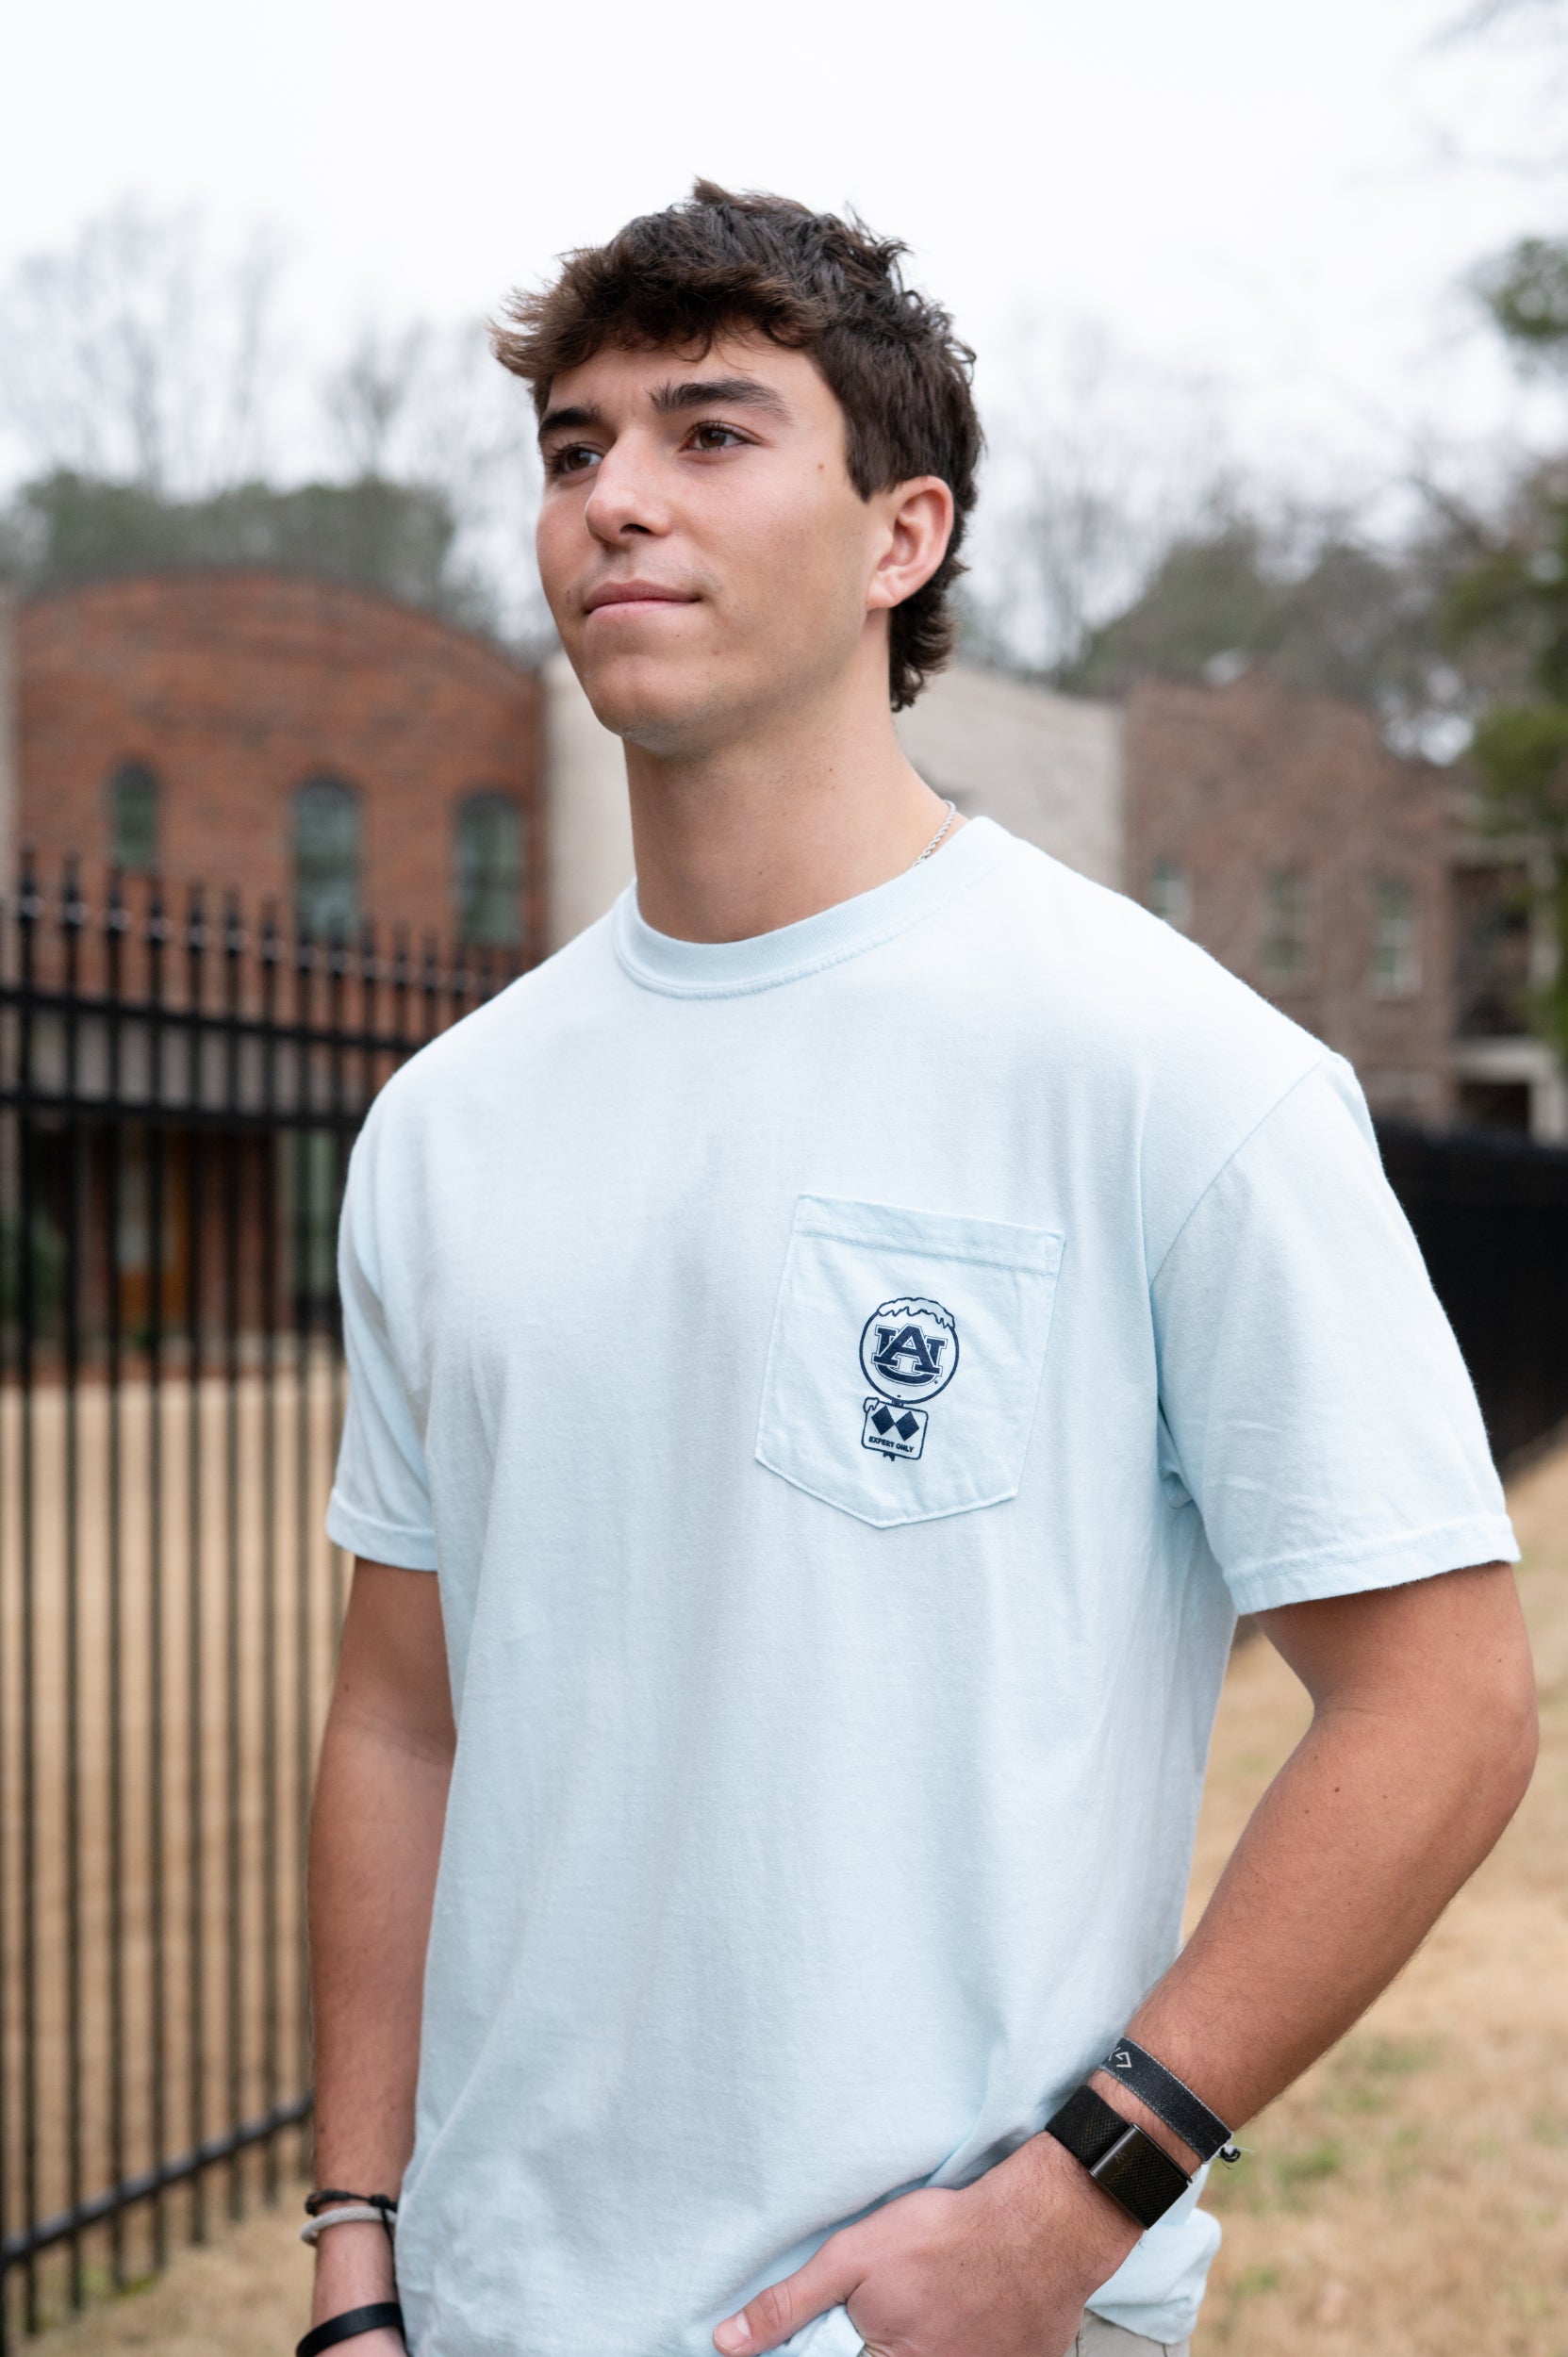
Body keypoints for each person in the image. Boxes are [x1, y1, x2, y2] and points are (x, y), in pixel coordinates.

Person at [301, 183, 1538, 2357]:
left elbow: (1441, 1705)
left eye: (710, 431)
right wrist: (353, 2252)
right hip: (491, 2308)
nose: (614, 498)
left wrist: (1068, 2208)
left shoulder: (1165, 1066)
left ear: (904, 535)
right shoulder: (449, 1122)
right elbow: (403, 1719)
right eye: (574, 447)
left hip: (939, 2316)